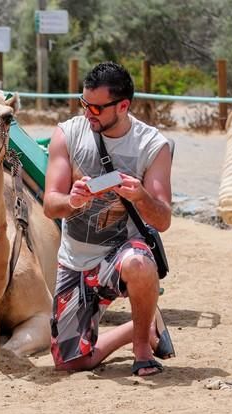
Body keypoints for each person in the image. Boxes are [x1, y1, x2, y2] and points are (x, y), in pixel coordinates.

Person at [43, 61, 174, 377]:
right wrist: (72, 200)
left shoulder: (152, 144)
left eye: (97, 108)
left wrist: (140, 196)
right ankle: (140, 326)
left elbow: (164, 218)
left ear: (123, 105)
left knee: (139, 263)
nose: (89, 113)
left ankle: (142, 350)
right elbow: (50, 204)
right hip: (75, 260)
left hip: (121, 254)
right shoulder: (68, 133)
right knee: (68, 364)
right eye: (84, 104)